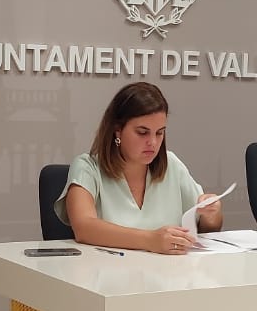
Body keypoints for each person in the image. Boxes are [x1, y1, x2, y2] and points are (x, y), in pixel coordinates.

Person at [58, 81, 223, 255]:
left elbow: (207, 227)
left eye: (159, 132)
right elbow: (84, 228)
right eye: (142, 132)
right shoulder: (87, 168)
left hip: (170, 270)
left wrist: (211, 214)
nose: (153, 142)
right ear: (117, 130)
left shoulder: (172, 164)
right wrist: (150, 240)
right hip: (109, 270)